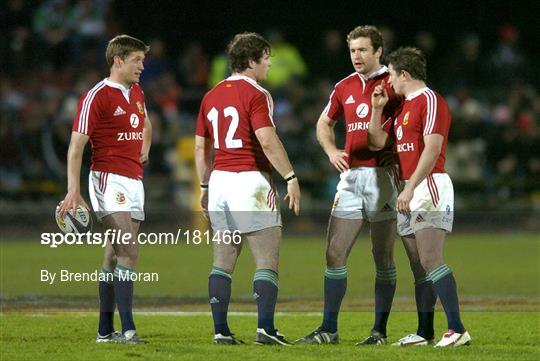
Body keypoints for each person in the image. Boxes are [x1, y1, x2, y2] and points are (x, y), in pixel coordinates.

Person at [295, 25, 402, 346]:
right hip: (352, 178)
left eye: (363, 50)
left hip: (383, 178)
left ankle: (379, 332)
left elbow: (413, 126)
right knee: (334, 252)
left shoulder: (395, 83)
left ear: (378, 51)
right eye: (353, 50)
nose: (357, 56)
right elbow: (323, 123)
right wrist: (330, 151)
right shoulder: (343, 87)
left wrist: (398, 155)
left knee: (382, 257)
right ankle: (329, 328)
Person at [194, 32, 301, 346]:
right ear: (252, 60)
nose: (269, 63)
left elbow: (202, 148)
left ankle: (220, 331)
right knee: (266, 259)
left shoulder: (210, 95)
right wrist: (291, 177)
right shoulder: (258, 93)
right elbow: (267, 140)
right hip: (250, 181)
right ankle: (265, 328)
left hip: (220, 183)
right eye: (266, 57)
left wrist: (204, 185)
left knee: (222, 261)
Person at [368, 46, 472, 347]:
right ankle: (425, 332)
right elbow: (376, 142)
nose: (388, 80)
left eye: (390, 73)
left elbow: (433, 149)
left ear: (405, 74)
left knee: (430, 258)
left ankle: (457, 329)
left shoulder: (431, 101)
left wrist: (412, 186)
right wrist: (377, 109)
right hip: (407, 189)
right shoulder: (403, 107)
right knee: (419, 266)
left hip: (429, 186)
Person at [58, 34, 152, 344]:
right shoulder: (96, 96)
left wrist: (145, 147)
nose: (142, 65)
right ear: (118, 60)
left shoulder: (136, 92)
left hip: (134, 179)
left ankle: (103, 331)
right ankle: (128, 330)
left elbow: (145, 121)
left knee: (113, 255)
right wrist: (73, 190)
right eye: (137, 60)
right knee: (129, 251)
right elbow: (76, 147)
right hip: (108, 178)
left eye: (143, 60)